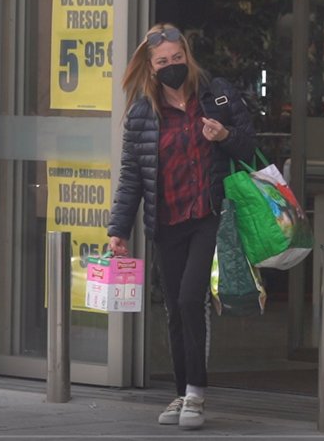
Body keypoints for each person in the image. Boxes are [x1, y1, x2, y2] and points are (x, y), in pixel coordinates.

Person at [107, 23, 256, 430]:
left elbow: (250, 144)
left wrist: (223, 133)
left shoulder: (216, 95)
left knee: (192, 299)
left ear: (187, 57)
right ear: (150, 66)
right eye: (163, 61)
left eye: (177, 58)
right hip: (166, 221)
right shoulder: (142, 113)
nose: (171, 66)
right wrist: (118, 228)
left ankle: (196, 393)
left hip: (207, 215)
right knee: (174, 309)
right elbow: (132, 176)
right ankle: (181, 391)